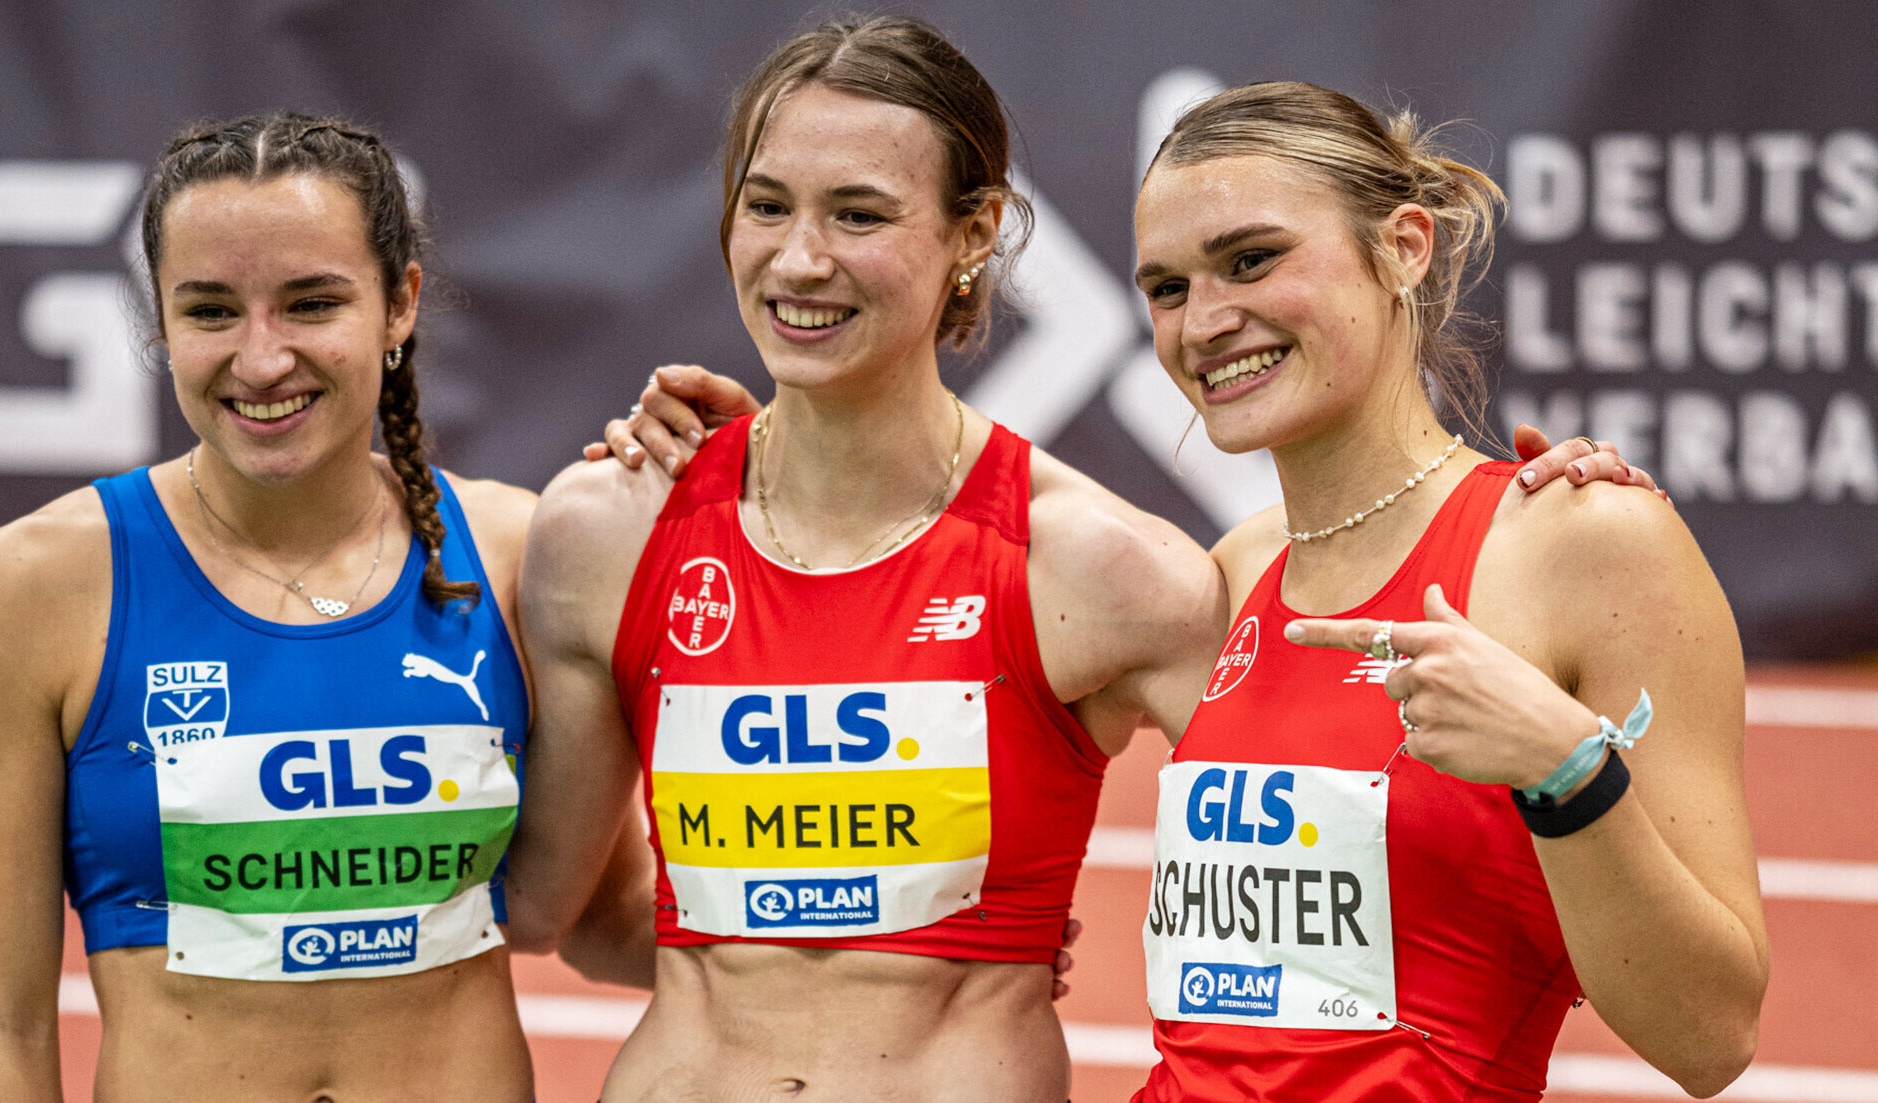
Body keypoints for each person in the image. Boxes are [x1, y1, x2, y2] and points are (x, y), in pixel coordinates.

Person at [509, 18, 1646, 1102]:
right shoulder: (609, 531)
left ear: (975, 234)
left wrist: (1514, 527)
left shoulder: (1108, 573)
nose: (800, 257)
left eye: (858, 214)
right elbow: (547, 910)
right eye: (766, 205)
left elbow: (1389, 838)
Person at [1125, 83, 1765, 1100]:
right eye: (1165, 287)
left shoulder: (1585, 541)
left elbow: (1712, 1035)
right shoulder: (1230, 572)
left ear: (1404, 248)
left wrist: (1565, 771)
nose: (1202, 320)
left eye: (1251, 260)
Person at [0, 113, 546, 1101]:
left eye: (310, 303)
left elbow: (609, 910)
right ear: (159, 323)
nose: (261, 359)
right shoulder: (28, 588)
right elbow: (0, 1026)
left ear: (399, 306)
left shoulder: (518, 557)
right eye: (211, 310)